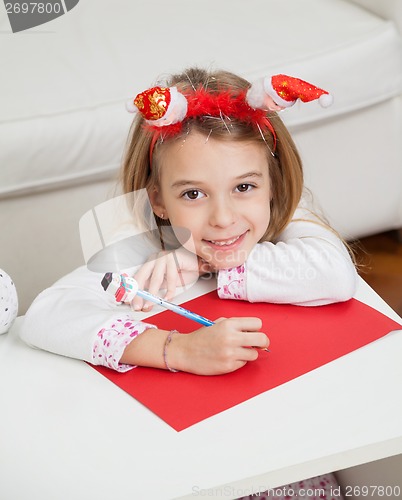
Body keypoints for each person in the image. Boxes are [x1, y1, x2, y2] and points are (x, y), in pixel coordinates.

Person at [20, 66, 349, 499]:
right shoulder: (141, 247)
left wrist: (204, 261)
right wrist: (177, 349)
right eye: (193, 194)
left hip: (286, 459)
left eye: (244, 187)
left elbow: (336, 275)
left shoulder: (293, 214)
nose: (223, 217)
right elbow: (46, 314)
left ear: (272, 184)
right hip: (186, 467)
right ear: (158, 199)